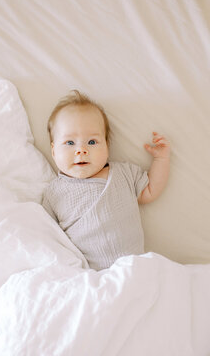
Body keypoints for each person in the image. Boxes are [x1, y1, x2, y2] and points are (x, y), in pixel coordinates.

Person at [42, 90, 170, 271]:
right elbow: (48, 236)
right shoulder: (54, 193)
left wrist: (161, 160)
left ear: (107, 146)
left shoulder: (123, 173)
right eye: (70, 143)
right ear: (54, 151)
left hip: (135, 268)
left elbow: (150, 190)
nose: (81, 150)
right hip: (90, 274)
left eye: (92, 142)